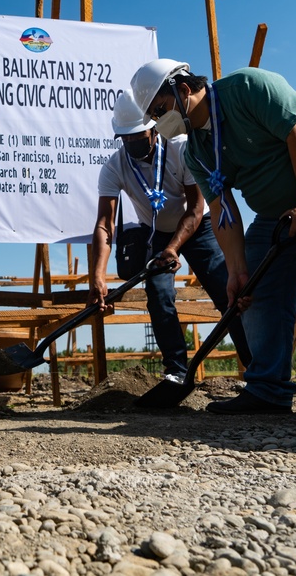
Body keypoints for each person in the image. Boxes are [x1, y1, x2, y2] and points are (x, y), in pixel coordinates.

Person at [129, 58, 296, 430]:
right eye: (154, 116)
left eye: (160, 110)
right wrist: (237, 272)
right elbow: (222, 210)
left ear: (183, 88)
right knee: (256, 290)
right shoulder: (196, 150)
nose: (160, 122)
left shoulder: (247, 88)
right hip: (277, 211)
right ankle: (268, 390)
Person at [87, 91, 251, 381]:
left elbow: (197, 208)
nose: (132, 143)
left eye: (138, 136)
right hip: (156, 234)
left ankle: (257, 367)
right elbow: (104, 225)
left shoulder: (180, 148)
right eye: (126, 139)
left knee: (226, 290)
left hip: (196, 227)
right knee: (159, 295)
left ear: (153, 128)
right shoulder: (114, 167)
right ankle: (176, 371)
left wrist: (175, 247)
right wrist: (98, 277)